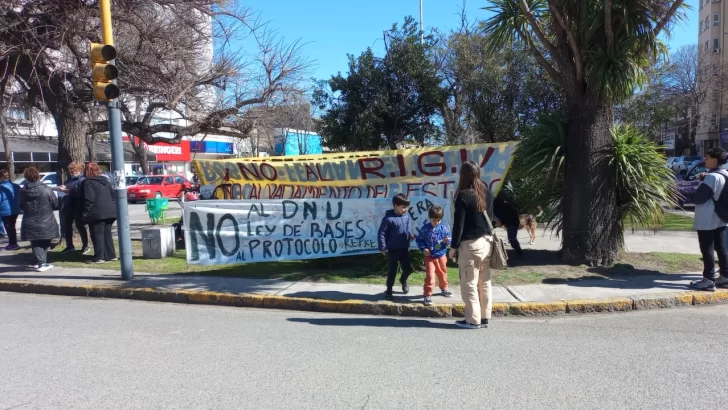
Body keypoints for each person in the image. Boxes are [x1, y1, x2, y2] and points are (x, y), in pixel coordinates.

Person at [448, 160, 495, 329]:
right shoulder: (487, 192)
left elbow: (458, 225)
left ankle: (472, 320)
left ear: (463, 175)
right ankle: (484, 317)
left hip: (471, 245)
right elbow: (491, 218)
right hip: (487, 243)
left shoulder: (463, 196)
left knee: (469, 283)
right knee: (484, 282)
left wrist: (453, 248)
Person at [690, 148, 728, 291]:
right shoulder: (725, 174)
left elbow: (699, 198)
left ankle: (708, 279)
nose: (705, 160)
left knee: (707, 248)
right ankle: (725, 276)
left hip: (707, 217)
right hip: (722, 217)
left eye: (707, 157)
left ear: (714, 159)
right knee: (722, 248)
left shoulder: (711, 177)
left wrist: (697, 188)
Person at [19, 167, 59, 271]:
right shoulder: (46, 189)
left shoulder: (23, 191)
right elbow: (55, 204)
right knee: (44, 241)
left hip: (30, 220)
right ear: (38, 176)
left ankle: (41, 262)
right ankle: (41, 263)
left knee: (36, 242)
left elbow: (21, 205)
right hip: (47, 220)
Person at [377, 193, 415, 299]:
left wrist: (410, 234)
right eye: (403, 207)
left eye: (406, 207)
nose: (405, 209)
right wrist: (383, 247)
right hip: (393, 249)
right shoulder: (388, 219)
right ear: (396, 205)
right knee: (392, 271)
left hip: (404, 248)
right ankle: (389, 289)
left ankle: (403, 280)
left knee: (408, 269)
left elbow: (409, 228)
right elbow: (381, 233)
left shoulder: (406, 217)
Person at [416, 205, 453, 306]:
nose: (436, 222)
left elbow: (450, 240)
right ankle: (427, 294)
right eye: (434, 220)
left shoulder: (444, 229)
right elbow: (419, 240)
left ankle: (444, 288)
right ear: (429, 218)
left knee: (442, 273)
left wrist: (447, 241)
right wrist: (423, 249)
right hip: (430, 257)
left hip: (441, 255)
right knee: (430, 275)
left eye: (438, 220)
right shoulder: (425, 229)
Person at [81, 162, 117, 263]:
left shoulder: (88, 182)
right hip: (110, 211)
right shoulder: (105, 180)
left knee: (97, 234)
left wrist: (86, 212)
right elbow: (112, 194)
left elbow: (89, 199)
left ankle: (99, 257)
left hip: (97, 212)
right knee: (107, 233)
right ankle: (111, 255)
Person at [59, 162, 90, 255]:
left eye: (73, 171)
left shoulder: (82, 180)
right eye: (70, 171)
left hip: (78, 206)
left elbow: (81, 194)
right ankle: (69, 246)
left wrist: (68, 191)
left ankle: (85, 245)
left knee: (80, 226)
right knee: (67, 226)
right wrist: (62, 188)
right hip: (67, 205)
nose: (71, 173)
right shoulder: (69, 180)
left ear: (79, 170)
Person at [0, 169, 21, 250]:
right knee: (12, 227)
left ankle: (13, 244)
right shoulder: (15, 186)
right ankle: (13, 243)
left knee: (9, 227)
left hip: (5, 210)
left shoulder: (1, 187)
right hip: (15, 209)